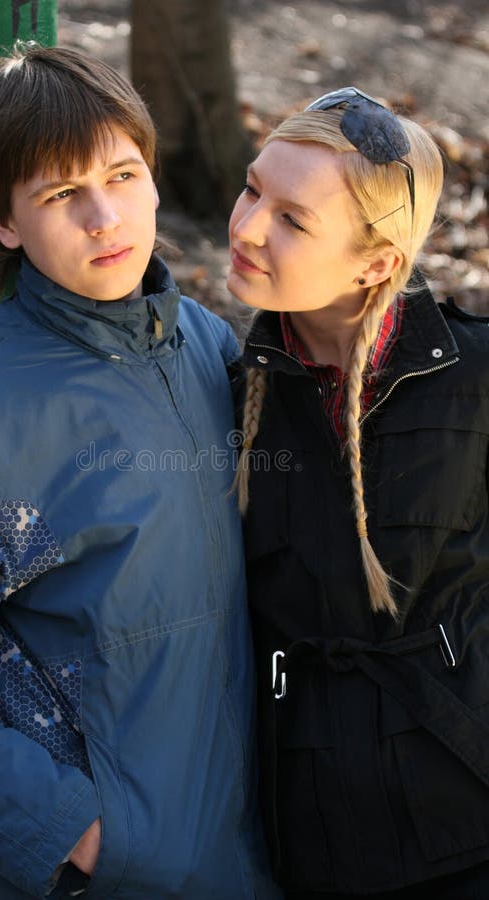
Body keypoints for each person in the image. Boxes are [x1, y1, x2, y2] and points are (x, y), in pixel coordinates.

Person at [0, 43, 280, 900]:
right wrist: (72, 833)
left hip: (242, 860)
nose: (105, 216)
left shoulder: (206, 346)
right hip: (96, 876)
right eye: (62, 194)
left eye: (123, 173)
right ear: (4, 222)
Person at [228, 86, 489, 898]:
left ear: (376, 262)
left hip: (470, 821)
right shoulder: (226, 398)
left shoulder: (477, 380)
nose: (244, 228)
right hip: (304, 842)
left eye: (293, 221)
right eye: (252, 188)